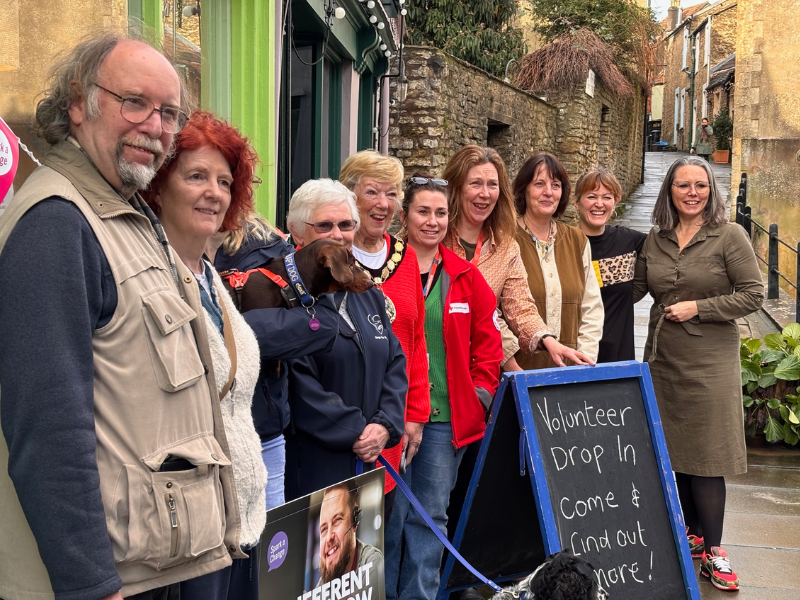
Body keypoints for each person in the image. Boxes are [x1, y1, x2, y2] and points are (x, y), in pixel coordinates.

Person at [0, 33, 242, 600]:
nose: (155, 127)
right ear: (79, 103)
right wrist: (90, 584)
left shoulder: (124, 213)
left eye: (169, 114)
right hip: (114, 581)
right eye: (134, 102)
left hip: (158, 564)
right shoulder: (56, 223)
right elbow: (48, 430)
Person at [141, 111, 267, 599]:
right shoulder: (152, 277)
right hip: (187, 532)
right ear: (158, 186)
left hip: (240, 518)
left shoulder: (209, 276)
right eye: (196, 176)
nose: (214, 191)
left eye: (223, 181)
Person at [633, 156, 763, 592]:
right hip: (663, 360)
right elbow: (627, 288)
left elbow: (753, 294)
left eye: (700, 185)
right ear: (669, 191)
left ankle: (716, 550)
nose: (692, 192)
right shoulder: (656, 239)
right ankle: (691, 535)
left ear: (712, 190)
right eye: (683, 185)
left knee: (707, 457)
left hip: (709, 363)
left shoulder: (730, 236)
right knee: (675, 455)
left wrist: (700, 308)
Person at [384, 175, 503, 600]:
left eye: (440, 213)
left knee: (431, 517)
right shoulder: (383, 272)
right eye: (422, 211)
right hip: (391, 418)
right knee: (388, 518)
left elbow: (488, 348)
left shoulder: (465, 277)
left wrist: (479, 395)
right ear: (404, 216)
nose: (432, 222)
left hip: (443, 421)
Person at [284, 179, 407, 500]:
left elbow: (395, 361)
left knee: (365, 550)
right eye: (325, 225)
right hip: (314, 465)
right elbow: (297, 382)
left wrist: (385, 425)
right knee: (319, 550)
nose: (338, 234)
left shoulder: (366, 291)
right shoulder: (286, 296)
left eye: (346, 224)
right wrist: (354, 430)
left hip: (369, 462)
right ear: (297, 232)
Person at [213, 215, 340, 512]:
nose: (214, 192)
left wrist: (226, 332)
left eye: (225, 180)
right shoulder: (161, 240)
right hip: (201, 432)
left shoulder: (268, 242)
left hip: (265, 427)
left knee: (267, 543)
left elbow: (323, 321)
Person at [441, 145, 591, 370]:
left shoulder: (505, 248)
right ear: (457, 187)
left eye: (492, 185)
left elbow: (519, 306)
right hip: (433, 363)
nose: (485, 193)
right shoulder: (432, 237)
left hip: (480, 372)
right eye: (475, 183)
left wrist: (547, 340)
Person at [339, 150, 429, 521]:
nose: (383, 204)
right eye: (372, 192)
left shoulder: (407, 258)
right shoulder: (329, 257)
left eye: (391, 194)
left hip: (389, 427)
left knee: (377, 539)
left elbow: (416, 340)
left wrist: (415, 414)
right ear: (350, 196)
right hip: (340, 430)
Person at [513, 152, 604, 369]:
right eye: (539, 184)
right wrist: (511, 367)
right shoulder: (505, 238)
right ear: (524, 189)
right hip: (520, 371)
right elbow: (494, 312)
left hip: (570, 373)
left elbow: (592, 307)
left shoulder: (577, 240)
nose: (548, 192)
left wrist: (584, 360)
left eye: (555, 185)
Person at [575, 168, 646, 362]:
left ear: (615, 203)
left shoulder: (629, 241)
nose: (599, 204)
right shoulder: (564, 244)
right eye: (591, 196)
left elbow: (673, 245)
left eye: (607, 197)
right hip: (574, 357)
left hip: (619, 359)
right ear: (577, 202)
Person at [316, 481, 383, 587]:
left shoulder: (372, 562)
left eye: (337, 520)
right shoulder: (320, 587)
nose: (329, 537)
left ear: (355, 520)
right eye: (323, 529)